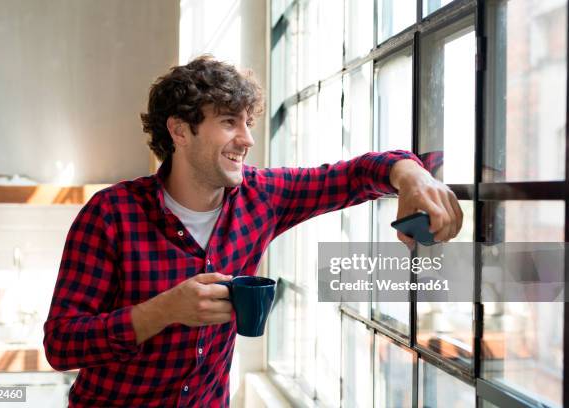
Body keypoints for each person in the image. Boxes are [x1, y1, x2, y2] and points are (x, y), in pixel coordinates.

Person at [43, 55, 462, 407]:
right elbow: (61, 345)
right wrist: (164, 310)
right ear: (179, 131)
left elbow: (353, 176)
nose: (247, 138)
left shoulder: (262, 197)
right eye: (229, 122)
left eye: (248, 122)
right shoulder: (111, 214)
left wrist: (410, 176)